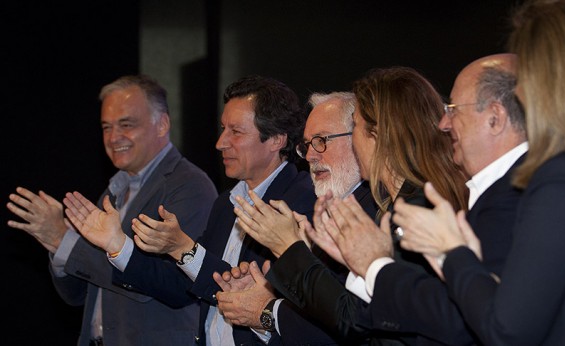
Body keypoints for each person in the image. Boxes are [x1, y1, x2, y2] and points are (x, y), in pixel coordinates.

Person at [391, 0, 565, 344]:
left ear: (555, 79)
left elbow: (507, 330)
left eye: (527, 73)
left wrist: (451, 250)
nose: (519, 91)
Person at [66, 75, 317, 346]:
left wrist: (182, 247)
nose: (220, 142)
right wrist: (118, 245)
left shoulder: (301, 202)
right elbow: (192, 287)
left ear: (276, 140)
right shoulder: (225, 204)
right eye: (223, 129)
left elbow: (291, 308)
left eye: (236, 131)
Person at [320, 53, 527, 343]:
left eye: (454, 109)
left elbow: (453, 321)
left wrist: (373, 265)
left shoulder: (426, 204)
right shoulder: (489, 193)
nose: (444, 123)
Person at [6, 74, 218, 345]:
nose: (114, 137)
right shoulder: (114, 191)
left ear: (162, 124)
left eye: (126, 124)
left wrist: (65, 241)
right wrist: (57, 247)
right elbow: (78, 295)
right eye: (106, 127)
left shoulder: (189, 185)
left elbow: (176, 285)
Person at [266, 66, 469, 345]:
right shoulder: (402, 201)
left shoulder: (418, 208)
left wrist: (290, 250)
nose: (311, 155)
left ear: (379, 135)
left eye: (357, 126)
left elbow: (359, 322)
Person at [213, 91, 378, 345]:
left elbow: (353, 323)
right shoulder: (333, 208)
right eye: (308, 144)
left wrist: (269, 306)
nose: (311, 155)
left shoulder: (377, 211)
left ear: (361, 138)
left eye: (322, 140)